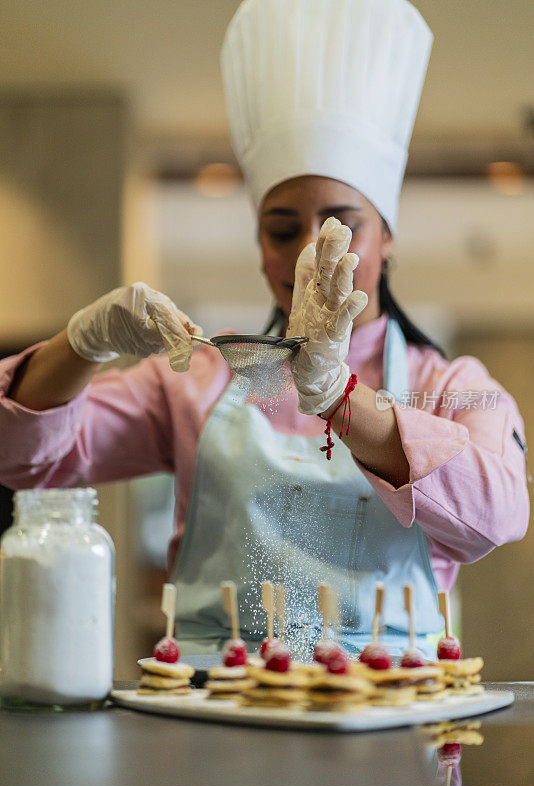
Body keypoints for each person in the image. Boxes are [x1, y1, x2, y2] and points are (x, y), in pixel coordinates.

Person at [0, 0, 529, 657]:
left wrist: (340, 396)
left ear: (387, 238)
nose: (311, 254)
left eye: (343, 227)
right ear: (259, 244)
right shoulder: (201, 377)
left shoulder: (448, 384)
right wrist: (82, 342)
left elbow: (499, 513)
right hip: (213, 722)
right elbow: (23, 456)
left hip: (391, 728)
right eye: (284, 229)